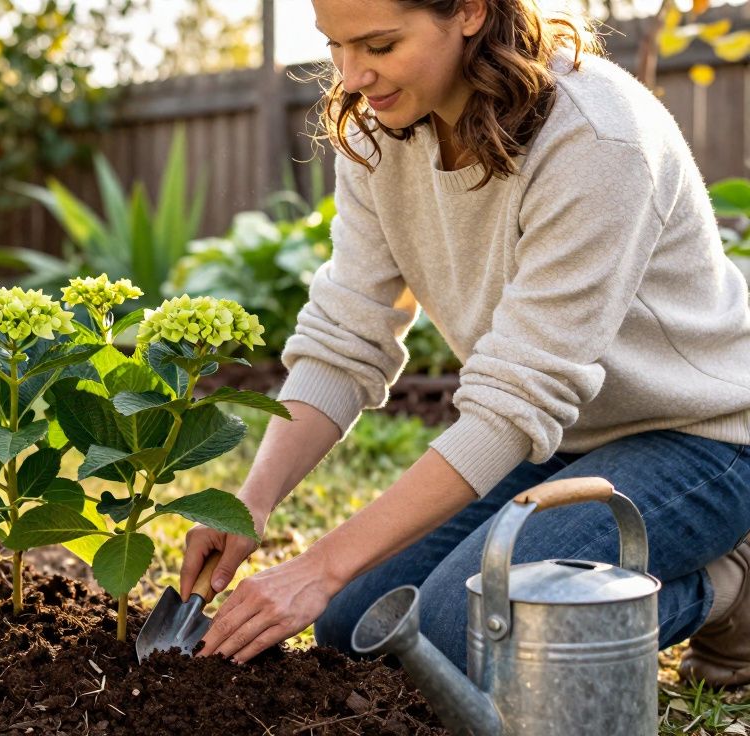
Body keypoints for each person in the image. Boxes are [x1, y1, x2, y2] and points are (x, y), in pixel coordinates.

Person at [179, 0, 750, 686]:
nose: (353, 74)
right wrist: (251, 503)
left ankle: (730, 590)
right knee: (356, 627)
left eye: (380, 45)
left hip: (705, 438)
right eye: (335, 46)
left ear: (472, 11)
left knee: (465, 636)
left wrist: (319, 565)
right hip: (563, 439)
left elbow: (515, 402)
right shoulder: (380, 128)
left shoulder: (597, 136)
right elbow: (345, 338)